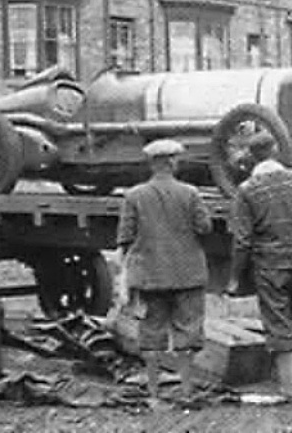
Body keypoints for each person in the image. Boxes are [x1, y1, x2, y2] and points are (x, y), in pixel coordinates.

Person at [226, 132, 292, 404]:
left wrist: (235, 278)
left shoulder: (246, 190)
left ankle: (288, 391)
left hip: (269, 264)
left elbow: (242, 240)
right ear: (275, 151)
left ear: (252, 157)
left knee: (279, 323)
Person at [115, 139, 212, 409]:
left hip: (149, 276)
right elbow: (204, 227)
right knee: (187, 332)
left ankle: (154, 393)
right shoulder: (190, 193)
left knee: (150, 334)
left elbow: (125, 236)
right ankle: (186, 392)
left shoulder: (134, 196)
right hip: (187, 274)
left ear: (151, 164)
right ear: (171, 162)